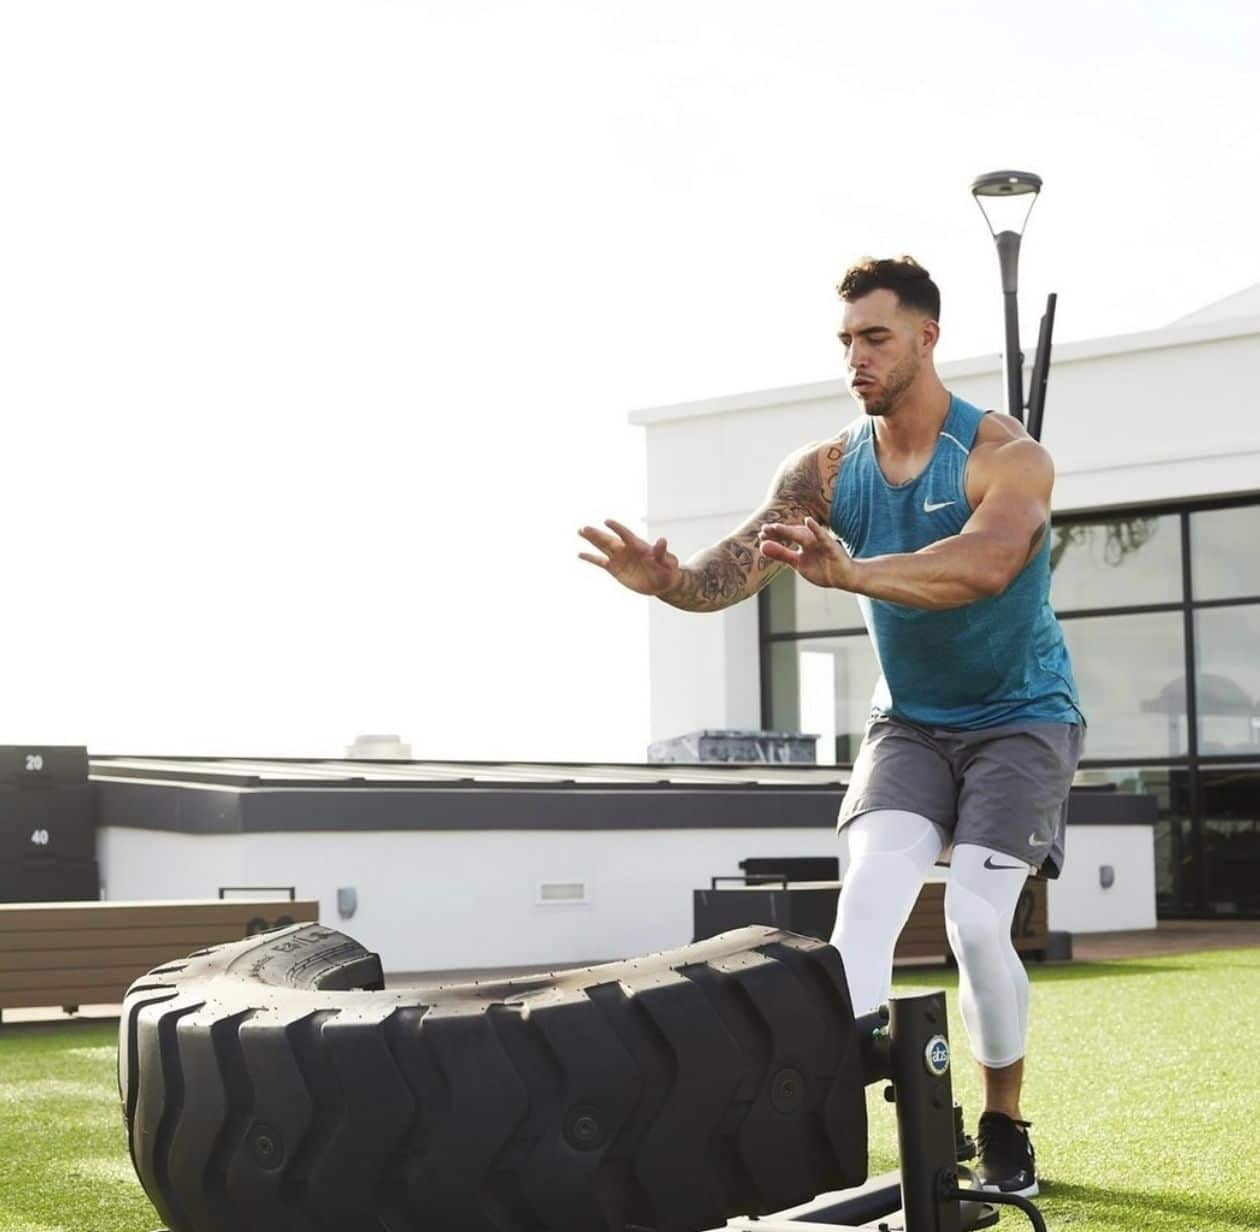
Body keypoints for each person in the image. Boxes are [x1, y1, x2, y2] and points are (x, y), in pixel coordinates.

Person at [577, 255, 1084, 1198]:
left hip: (1022, 720)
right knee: (863, 913)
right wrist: (670, 583)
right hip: (910, 727)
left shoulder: (1004, 456)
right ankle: (822, 1132)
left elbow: (983, 566)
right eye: (846, 340)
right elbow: (725, 572)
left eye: (876, 337)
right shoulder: (825, 470)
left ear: (927, 337)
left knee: (976, 923)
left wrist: (853, 574)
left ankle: (1005, 1121)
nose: (856, 357)